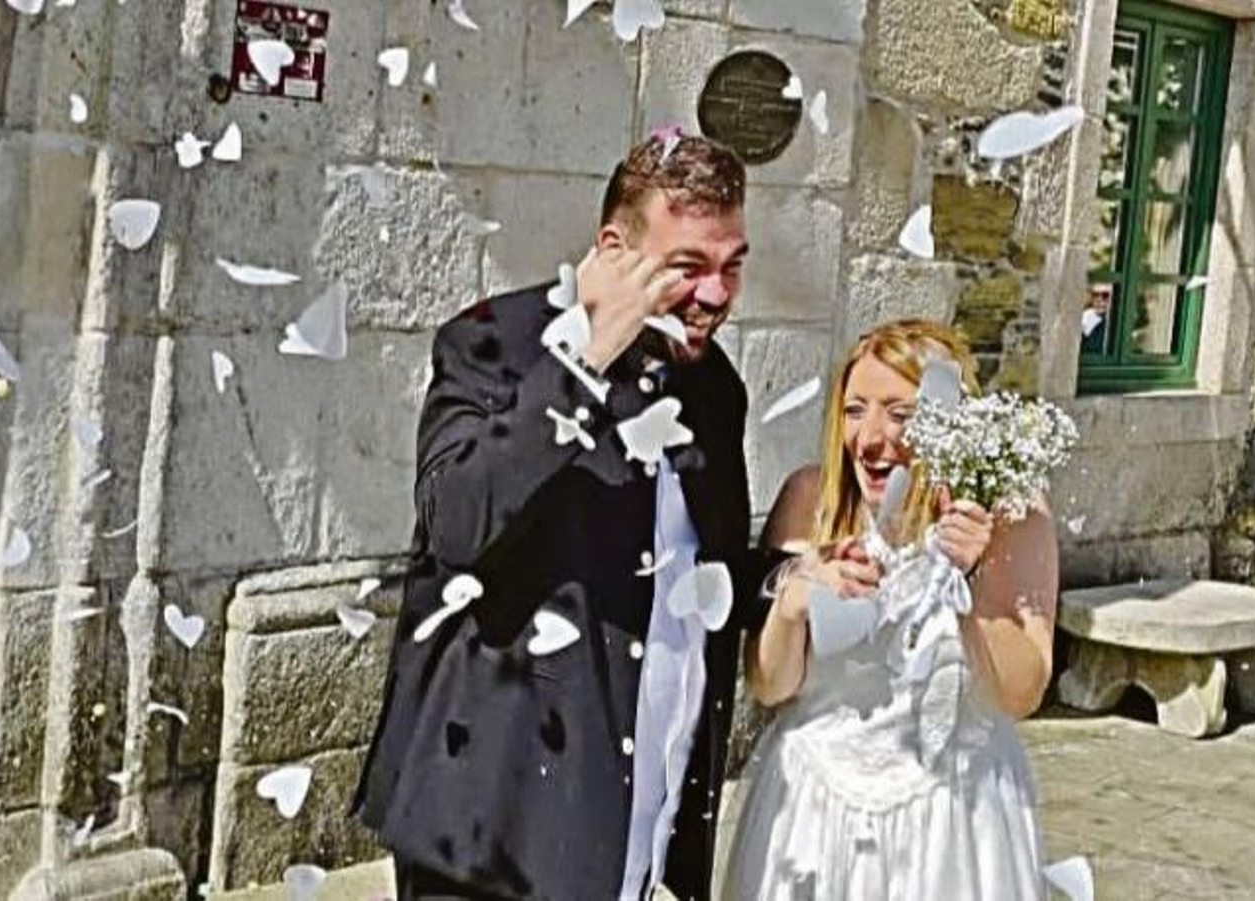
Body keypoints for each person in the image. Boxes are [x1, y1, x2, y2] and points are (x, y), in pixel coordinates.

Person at [352, 132, 781, 899]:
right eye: (686, 266)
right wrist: (582, 363)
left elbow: (693, 568)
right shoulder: (495, 345)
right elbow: (457, 524)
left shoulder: (714, 385)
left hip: (643, 817)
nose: (716, 294)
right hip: (493, 834)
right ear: (614, 250)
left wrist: (794, 575)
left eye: (733, 264)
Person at [722, 319, 1059, 900]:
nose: (870, 437)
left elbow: (1021, 693)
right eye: (855, 410)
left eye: (899, 414)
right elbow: (769, 685)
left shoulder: (1013, 517)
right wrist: (793, 601)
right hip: (814, 812)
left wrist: (965, 583)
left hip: (952, 824)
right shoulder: (811, 500)